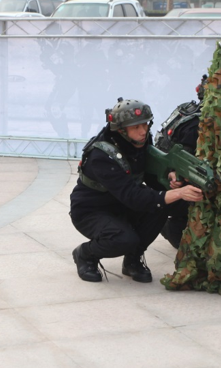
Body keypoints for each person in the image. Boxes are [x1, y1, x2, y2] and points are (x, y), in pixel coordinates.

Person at [70, 97, 203, 283]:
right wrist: (177, 193)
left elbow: (148, 173)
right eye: (136, 127)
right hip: (92, 210)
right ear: (121, 130)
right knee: (123, 239)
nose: (143, 131)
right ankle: (85, 254)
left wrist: (170, 177)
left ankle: (132, 260)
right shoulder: (101, 155)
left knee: (165, 205)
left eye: (145, 125)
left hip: (121, 204)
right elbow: (133, 196)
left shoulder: (138, 141)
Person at [154, 75, 206, 248]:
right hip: (171, 177)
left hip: (164, 168)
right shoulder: (198, 123)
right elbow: (185, 158)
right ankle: (168, 227)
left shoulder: (188, 108)